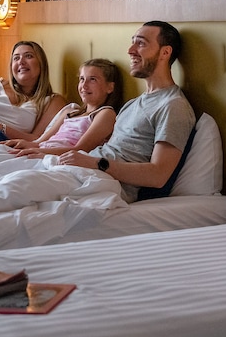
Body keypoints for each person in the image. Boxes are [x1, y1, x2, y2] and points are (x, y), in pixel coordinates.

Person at [57, 21, 195, 203]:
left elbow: (158, 175)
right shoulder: (132, 104)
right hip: (85, 171)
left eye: (141, 43)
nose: (130, 50)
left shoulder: (173, 106)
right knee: (21, 179)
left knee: (22, 187)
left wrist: (96, 163)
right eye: (132, 42)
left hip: (104, 183)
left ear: (165, 52)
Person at [3, 58, 123, 158]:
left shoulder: (105, 114)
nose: (84, 86)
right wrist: (25, 144)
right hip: (44, 151)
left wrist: (40, 151)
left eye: (92, 79)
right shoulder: (70, 111)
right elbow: (40, 142)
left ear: (110, 87)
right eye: (82, 79)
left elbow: (80, 149)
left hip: (59, 157)